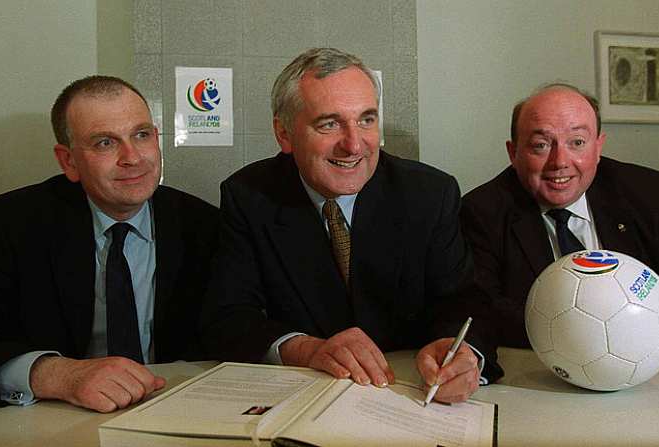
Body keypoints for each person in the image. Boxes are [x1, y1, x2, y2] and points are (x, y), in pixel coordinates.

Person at [200, 47, 502, 403]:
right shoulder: (249, 196)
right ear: (284, 134)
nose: (354, 144)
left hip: (406, 396)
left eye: (366, 120)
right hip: (301, 400)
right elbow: (228, 318)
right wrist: (307, 349)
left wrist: (462, 354)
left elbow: (465, 303)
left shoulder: (428, 194)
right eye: (329, 124)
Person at [0, 76, 219, 412]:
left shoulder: (203, 224)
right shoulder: (15, 222)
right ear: (68, 161)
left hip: (175, 409)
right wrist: (57, 374)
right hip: (56, 419)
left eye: (141, 135)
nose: (133, 157)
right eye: (105, 143)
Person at [460, 83, 659, 351]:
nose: (560, 162)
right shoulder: (482, 211)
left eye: (577, 142)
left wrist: (658, 330)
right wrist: (592, 335)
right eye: (540, 145)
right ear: (513, 153)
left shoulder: (649, 193)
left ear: (598, 147)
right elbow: (480, 312)